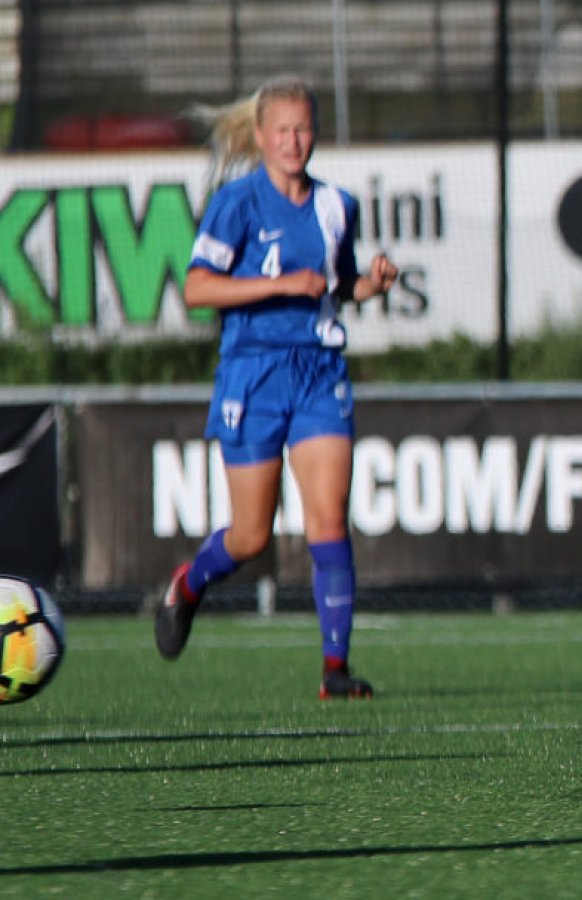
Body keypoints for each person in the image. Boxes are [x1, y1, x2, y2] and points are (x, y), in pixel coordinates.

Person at [154, 76, 397, 700]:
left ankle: (334, 670)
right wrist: (281, 284)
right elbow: (199, 289)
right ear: (260, 135)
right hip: (252, 373)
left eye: (304, 128)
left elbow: (337, 285)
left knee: (328, 520)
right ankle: (186, 586)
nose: (294, 141)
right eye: (282, 130)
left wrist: (371, 282)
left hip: (318, 370)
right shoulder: (237, 203)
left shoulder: (337, 204)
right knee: (251, 536)